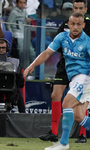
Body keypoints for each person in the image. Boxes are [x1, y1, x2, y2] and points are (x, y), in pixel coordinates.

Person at [24, 12, 90, 150]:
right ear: (69, 24)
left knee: (66, 102)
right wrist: (32, 65)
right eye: (73, 24)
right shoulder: (62, 37)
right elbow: (47, 53)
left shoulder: (87, 41)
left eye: (79, 24)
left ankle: (64, 143)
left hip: (84, 78)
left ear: (84, 25)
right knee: (78, 117)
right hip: (73, 79)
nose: (76, 27)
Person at [39, 0, 90, 143]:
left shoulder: (88, 25)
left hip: (83, 67)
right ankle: (54, 132)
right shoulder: (66, 23)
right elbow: (58, 43)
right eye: (76, 7)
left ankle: (82, 135)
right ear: (72, 8)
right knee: (56, 94)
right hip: (65, 64)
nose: (78, 9)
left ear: (85, 9)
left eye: (81, 7)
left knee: (79, 99)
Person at [6, 0, 32, 69]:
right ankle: (23, 69)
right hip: (17, 34)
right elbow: (8, 24)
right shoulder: (14, 12)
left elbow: (24, 24)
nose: (22, 5)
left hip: (25, 35)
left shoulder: (25, 12)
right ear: (17, 3)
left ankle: (32, 69)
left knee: (32, 52)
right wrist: (12, 35)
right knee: (22, 52)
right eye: (20, 3)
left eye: (24, 3)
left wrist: (28, 22)